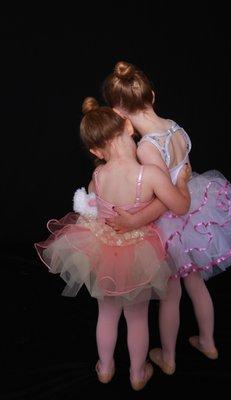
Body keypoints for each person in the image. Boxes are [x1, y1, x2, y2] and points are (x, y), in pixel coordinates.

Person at [103, 61, 231, 373]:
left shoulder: (147, 148)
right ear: (152, 95)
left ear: (118, 113)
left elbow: (170, 203)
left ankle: (169, 359)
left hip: (173, 223)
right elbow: (182, 175)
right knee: (197, 285)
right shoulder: (174, 126)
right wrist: (180, 183)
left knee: (171, 296)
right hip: (197, 208)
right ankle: (208, 341)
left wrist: (135, 221)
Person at [34, 97, 191, 390]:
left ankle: (105, 368)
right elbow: (179, 207)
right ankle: (137, 373)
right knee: (137, 317)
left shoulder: (97, 175)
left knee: (106, 314)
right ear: (128, 126)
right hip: (139, 254)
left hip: (103, 251)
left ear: (95, 150)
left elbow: (94, 206)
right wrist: (181, 184)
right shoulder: (151, 175)